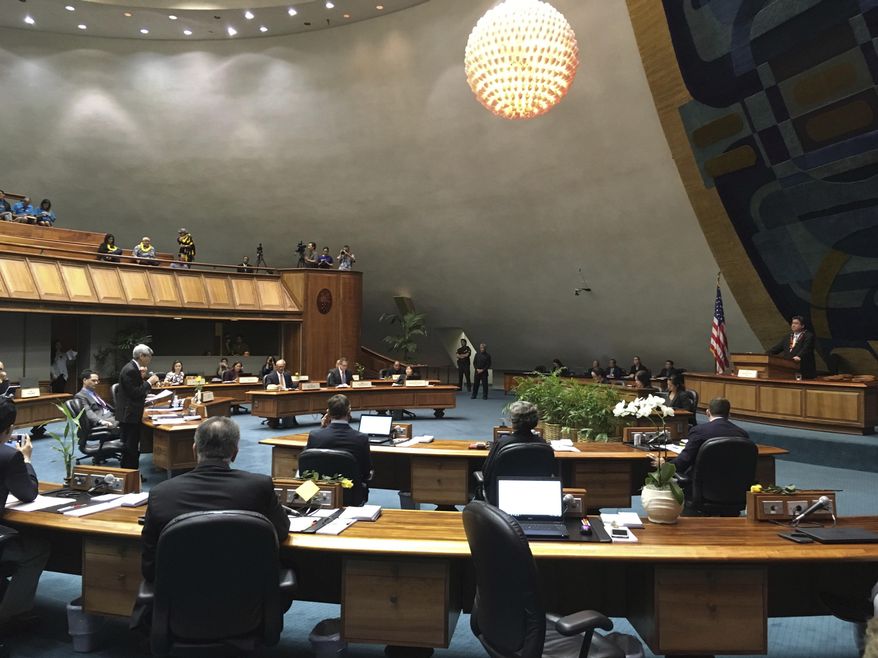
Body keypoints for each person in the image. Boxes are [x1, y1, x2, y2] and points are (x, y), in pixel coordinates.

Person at [140, 416, 290, 584]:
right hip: (245, 594)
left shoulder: (160, 494)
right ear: (234, 453)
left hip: (180, 599)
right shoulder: (259, 487)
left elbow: (150, 566)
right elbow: (281, 531)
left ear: (194, 449)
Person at [0, 398, 50, 633]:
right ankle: (9, 616)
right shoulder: (9, 456)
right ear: (10, 429)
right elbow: (28, 493)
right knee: (36, 549)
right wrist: (27, 459)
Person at [670, 398, 750, 486]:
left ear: (708, 412)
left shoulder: (699, 431)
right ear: (729, 414)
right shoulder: (742, 434)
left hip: (702, 487)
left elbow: (684, 461)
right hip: (734, 488)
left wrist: (666, 465)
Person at [305, 394, 372, 498]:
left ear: (328, 412)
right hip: (350, 493)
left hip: (321, 492)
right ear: (349, 411)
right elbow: (366, 471)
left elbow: (308, 461)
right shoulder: (361, 438)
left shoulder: (315, 436)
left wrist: (322, 428)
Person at [115, 344, 160, 471]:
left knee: (131, 447)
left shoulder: (133, 368)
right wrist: (149, 382)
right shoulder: (130, 369)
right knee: (131, 448)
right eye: (149, 356)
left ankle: (131, 474)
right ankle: (130, 475)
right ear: (141, 356)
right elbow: (135, 392)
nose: (150, 359)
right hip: (129, 415)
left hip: (130, 413)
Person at [483, 400, 542, 478]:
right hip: (536, 488)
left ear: (512, 421)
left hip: (503, 488)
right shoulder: (543, 444)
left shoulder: (502, 443)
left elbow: (486, 472)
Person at [767, 315, 816, 379]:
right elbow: (776, 349)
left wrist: (799, 356)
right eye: (792, 323)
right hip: (788, 370)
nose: (793, 325)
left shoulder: (808, 336)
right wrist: (765, 355)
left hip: (803, 370)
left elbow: (806, 348)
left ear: (802, 326)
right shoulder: (787, 337)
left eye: (796, 323)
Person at [74, 369, 120, 437]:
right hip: (101, 419)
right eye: (93, 380)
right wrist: (101, 421)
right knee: (126, 422)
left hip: (110, 415)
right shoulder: (80, 396)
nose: (96, 383)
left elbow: (104, 406)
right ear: (84, 380)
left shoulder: (93, 393)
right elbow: (88, 412)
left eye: (97, 381)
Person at [262, 359, 297, 428]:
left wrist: (297, 385)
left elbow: (291, 385)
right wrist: (276, 386)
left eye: (282, 366)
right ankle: (275, 420)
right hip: (276, 397)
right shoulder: (270, 376)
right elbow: (268, 387)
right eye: (279, 367)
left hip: (287, 395)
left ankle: (289, 419)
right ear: (276, 367)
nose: (281, 368)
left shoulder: (287, 374)